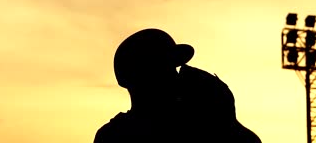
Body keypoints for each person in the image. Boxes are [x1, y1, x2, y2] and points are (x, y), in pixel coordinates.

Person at [93, 28, 261, 143]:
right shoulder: (194, 127)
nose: (175, 76)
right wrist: (225, 117)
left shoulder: (111, 134)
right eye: (166, 68)